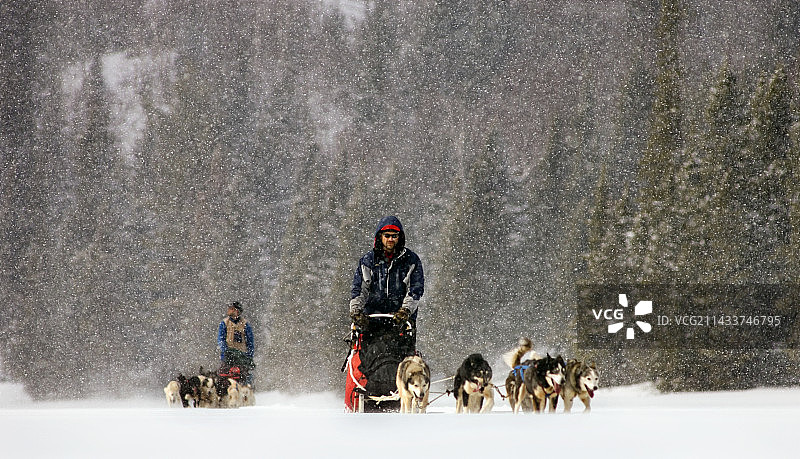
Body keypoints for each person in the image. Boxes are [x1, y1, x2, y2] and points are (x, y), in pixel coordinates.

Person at [349, 215, 425, 328]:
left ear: (400, 237)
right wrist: (356, 311)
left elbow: (415, 290)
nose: (390, 239)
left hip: (401, 321)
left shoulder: (411, 260)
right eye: (387, 236)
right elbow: (360, 289)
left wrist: (405, 311)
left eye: (394, 236)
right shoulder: (368, 261)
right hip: (371, 319)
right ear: (380, 237)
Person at [217, 301, 255, 385]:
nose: (228, 310)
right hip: (228, 356)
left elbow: (250, 342)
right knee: (222, 376)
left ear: (236, 311)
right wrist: (225, 351)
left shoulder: (245, 324)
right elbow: (221, 339)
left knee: (244, 376)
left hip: (242, 356)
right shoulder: (224, 323)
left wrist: (249, 356)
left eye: (231, 309)